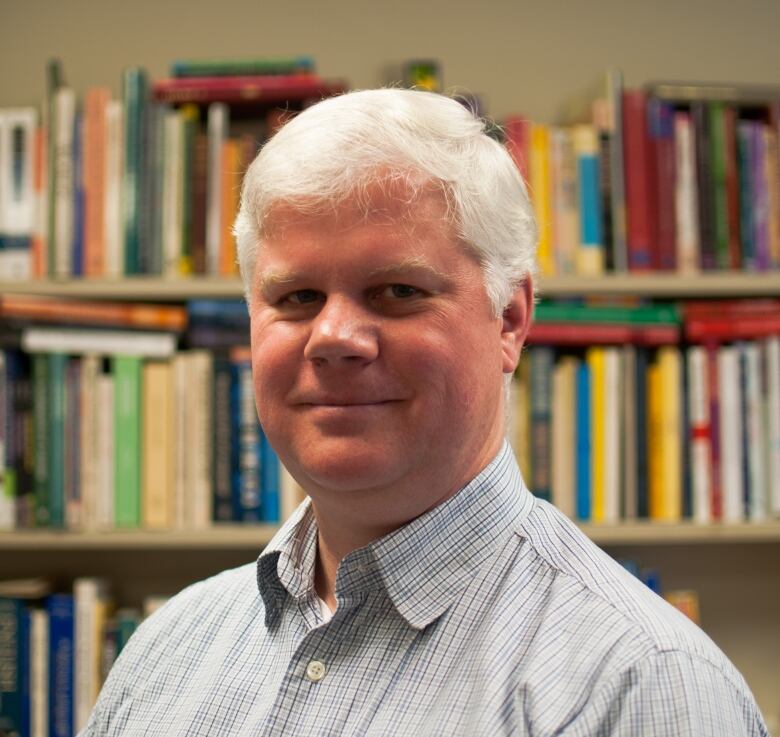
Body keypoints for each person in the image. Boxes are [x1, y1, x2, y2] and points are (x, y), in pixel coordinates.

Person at [79, 89, 768, 736]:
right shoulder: (168, 650)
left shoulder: (640, 687)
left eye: (396, 290)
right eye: (296, 297)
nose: (333, 337)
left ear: (510, 317)